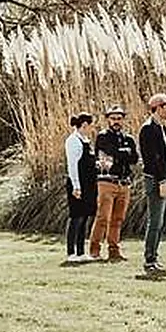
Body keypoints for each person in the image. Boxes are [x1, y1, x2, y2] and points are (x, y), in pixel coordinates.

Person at [89, 104, 138, 261]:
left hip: (124, 183)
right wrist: (125, 153)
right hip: (107, 182)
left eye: (119, 118)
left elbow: (135, 158)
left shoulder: (128, 138)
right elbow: (112, 152)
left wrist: (121, 154)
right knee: (103, 217)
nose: (116, 121)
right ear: (108, 120)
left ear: (123, 119)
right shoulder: (103, 136)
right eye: (113, 118)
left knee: (118, 219)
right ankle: (94, 250)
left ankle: (114, 250)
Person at [138, 93, 166, 277]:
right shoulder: (148, 129)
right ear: (157, 107)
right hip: (156, 180)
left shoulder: (161, 128)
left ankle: (154, 257)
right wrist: (162, 181)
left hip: (165, 179)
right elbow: (151, 158)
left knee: (163, 221)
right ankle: (150, 260)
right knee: (155, 221)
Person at [63, 112, 98, 263]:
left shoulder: (86, 140)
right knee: (76, 217)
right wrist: (76, 186)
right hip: (78, 184)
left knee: (84, 217)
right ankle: (71, 253)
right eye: (91, 125)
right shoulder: (73, 141)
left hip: (89, 184)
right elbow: (73, 166)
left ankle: (81, 251)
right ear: (84, 125)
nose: (92, 128)